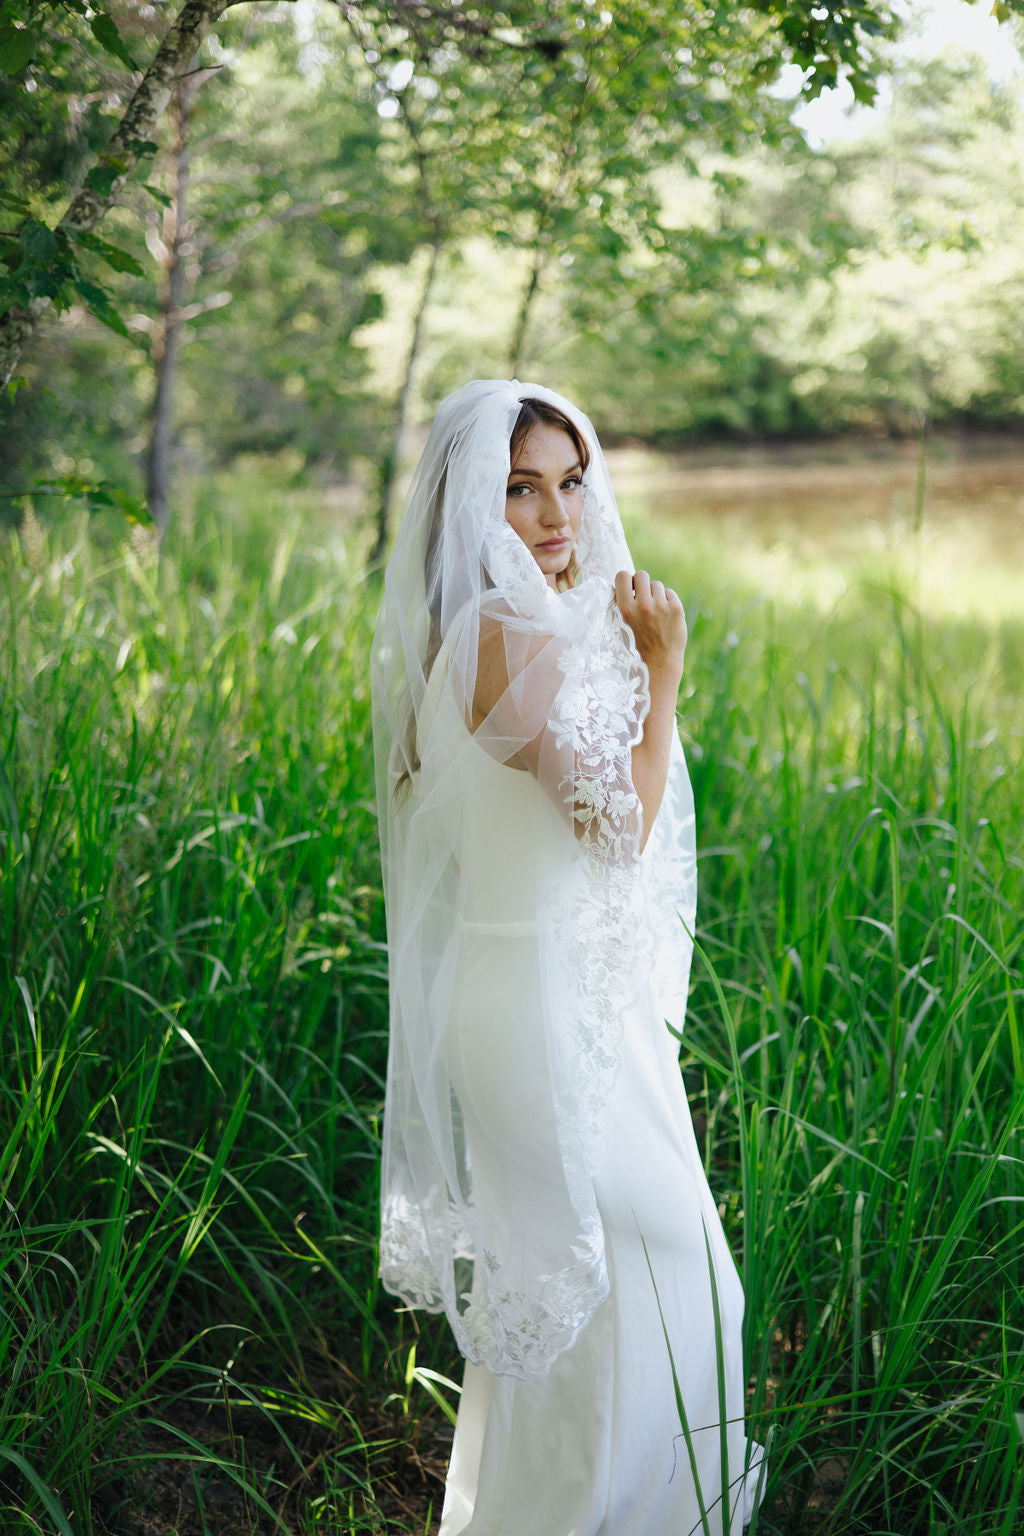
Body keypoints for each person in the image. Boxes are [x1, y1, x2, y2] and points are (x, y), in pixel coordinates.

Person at [371, 379, 765, 1535]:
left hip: (551, 991)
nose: (556, 516)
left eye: (571, 484)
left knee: (590, 1304)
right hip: (538, 1006)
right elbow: (618, 833)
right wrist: (667, 672)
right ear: (471, 506)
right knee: (680, 1277)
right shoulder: (500, 634)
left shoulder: (496, 630)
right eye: (521, 489)